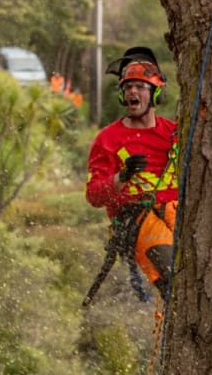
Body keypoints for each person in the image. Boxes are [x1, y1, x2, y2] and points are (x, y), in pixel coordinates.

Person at [85, 46, 179, 297]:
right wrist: (121, 178)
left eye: (140, 87)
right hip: (137, 218)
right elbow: (94, 195)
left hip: (179, 212)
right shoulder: (108, 139)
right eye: (127, 87)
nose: (132, 92)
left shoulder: (174, 133)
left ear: (155, 93)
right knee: (176, 276)